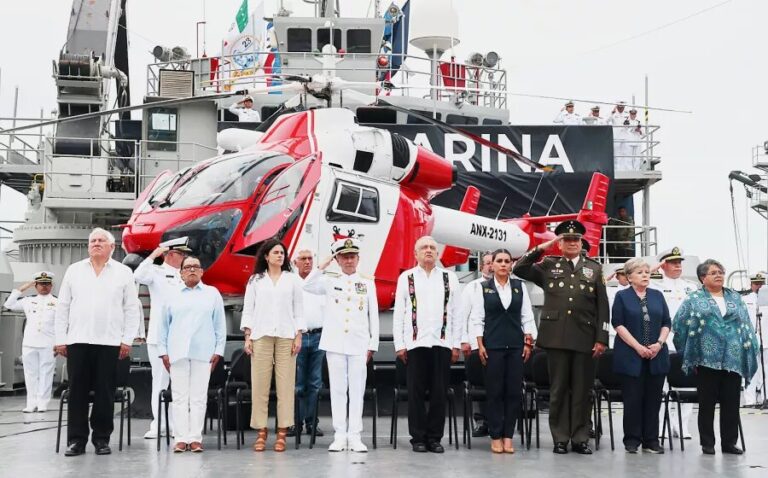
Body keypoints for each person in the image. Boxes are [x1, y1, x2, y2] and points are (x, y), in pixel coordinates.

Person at [513, 220, 609, 455]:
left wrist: (602, 338)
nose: (572, 243)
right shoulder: (549, 265)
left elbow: (603, 307)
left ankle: (580, 438)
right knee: (558, 390)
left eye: (576, 240)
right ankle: (560, 438)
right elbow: (520, 268)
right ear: (560, 243)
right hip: (556, 337)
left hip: (585, 338)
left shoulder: (594, 269)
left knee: (582, 391)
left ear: (582, 243)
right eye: (567, 240)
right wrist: (543, 246)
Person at [55, 228, 141, 457]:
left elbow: (131, 309)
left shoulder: (123, 272)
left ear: (112, 247)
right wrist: (60, 339)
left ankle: (102, 439)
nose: (96, 243)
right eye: (92, 240)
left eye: (101, 240)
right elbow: (62, 306)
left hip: (109, 341)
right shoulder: (74, 270)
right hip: (78, 340)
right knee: (77, 392)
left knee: (105, 392)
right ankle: (76, 440)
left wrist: (127, 340)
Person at [673, 259, 759, 455]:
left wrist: (749, 348)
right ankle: (707, 443)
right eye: (713, 273)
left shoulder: (735, 297)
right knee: (707, 403)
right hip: (705, 359)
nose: (718, 275)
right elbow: (679, 325)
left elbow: (746, 325)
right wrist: (689, 352)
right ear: (703, 278)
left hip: (733, 358)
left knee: (731, 403)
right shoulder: (694, 299)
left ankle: (729, 443)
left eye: (720, 272)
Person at [304, 238, 379, 452]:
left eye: (352, 256)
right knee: (337, 390)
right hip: (335, 343)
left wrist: (372, 344)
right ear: (337, 259)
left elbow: (373, 315)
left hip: (359, 343)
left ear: (358, 259)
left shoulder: (367, 283)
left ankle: (355, 436)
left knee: (357, 390)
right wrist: (323, 265)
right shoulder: (329, 281)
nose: (348, 260)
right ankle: (340, 435)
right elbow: (306, 285)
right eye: (344, 257)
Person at [393, 235, 462, 453]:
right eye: (424, 247)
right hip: (415, 344)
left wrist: (456, 344)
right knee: (415, 393)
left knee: (439, 393)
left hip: (442, 342)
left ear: (438, 253)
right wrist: (399, 344)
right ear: (416, 253)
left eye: (432, 247)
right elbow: (399, 313)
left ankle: (434, 437)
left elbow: (456, 313)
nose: (429, 250)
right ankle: (418, 438)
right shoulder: (406, 278)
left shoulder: (450, 278)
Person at [240, 239, 306, 452]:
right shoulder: (255, 280)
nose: (280, 255)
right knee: (260, 385)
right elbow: (248, 310)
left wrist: (298, 336)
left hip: (287, 336)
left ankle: (282, 432)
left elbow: (299, 310)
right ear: (266, 256)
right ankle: (261, 431)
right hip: (261, 335)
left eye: (282, 253)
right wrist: (248, 336)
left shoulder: (292, 280)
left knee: (286, 386)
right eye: (276, 252)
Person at [470, 249, 537, 453]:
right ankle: (495, 435)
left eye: (507, 261)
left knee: (513, 393)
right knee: (495, 393)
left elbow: (527, 316)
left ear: (511, 265)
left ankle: (508, 436)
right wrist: (480, 345)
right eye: (499, 261)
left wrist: (528, 343)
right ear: (492, 265)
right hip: (493, 347)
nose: (503, 264)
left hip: (516, 347)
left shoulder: (519, 287)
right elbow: (477, 318)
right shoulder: (483, 288)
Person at [157, 255, 226, 453]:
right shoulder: (171, 295)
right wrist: (163, 353)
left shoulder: (212, 294)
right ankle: (180, 439)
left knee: (198, 397)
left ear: (202, 272)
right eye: (187, 267)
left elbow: (220, 326)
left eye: (196, 266)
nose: (192, 270)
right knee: (179, 397)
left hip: (204, 353)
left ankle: (195, 438)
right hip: (176, 352)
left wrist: (218, 351)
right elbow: (163, 327)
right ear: (181, 273)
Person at [611, 258, 670, 454]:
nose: (645, 275)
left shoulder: (657, 296)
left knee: (653, 400)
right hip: (631, 355)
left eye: (646, 272)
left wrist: (659, 343)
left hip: (656, 355)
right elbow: (618, 324)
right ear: (629, 277)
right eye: (639, 272)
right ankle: (632, 439)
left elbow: (666, 322)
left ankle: (651, 440)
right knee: (633, 400)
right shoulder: (622, 296)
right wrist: (638, 347)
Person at [133, 239, 190, 439]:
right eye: (181, 254)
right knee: (159, 381)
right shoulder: (156, 272)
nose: (184, 258)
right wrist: (153, 255)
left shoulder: (185, 276)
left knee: (179, 382)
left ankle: (176, 425)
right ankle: (158, 424)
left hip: (181, 336)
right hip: (159, 336)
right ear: (170, 254)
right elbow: (138, 275)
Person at [650, 246, 698, 439]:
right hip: (663, 341)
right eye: (673, 263)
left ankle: (681, 425)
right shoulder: (654, 286)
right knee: (662, 386)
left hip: (686, 342)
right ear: (663, 265)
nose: (678, 266)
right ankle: (663, 425)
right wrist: (654, 269)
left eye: (679, 263)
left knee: (687, 385)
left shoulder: (691, 287)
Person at [3, 271, 57, 412]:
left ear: (51, 285)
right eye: (41, 284)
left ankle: (42, 403)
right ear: (36, 285)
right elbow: (8, 304)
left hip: (48, 344)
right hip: (29, 343)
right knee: (30, 374)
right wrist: (23, 288)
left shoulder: (57, 302)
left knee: (46, 374)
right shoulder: (28, 301)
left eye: (47, 284)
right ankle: (31, 403)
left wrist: (59, 343)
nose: (44, 286)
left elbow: (62, 324)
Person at [289, 249, 326, 438]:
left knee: (315, 383)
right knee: (297, 383)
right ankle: (295, 423)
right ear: (295, 262)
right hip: (298, 337)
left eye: (310, 258)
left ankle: (312, 423)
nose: (307, 262)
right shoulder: (290, 282)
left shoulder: (322, 282)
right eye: (303, 259)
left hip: (319, 335)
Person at [458, 251, 493, 437]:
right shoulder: (471, 287)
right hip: (475, 343)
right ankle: (481, 422)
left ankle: (498, 421)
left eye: (493, 262)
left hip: (498, 341)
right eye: (487, 263)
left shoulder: (509, 286)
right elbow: (463, 315)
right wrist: (463, 340)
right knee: (478, 384)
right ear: (481, 267)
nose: (490, 266)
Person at [743, 272, 766, 405]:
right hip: (749, 338)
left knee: (766, 369)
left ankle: (765, 398)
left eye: (761, 284)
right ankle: (750, 400)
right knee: (750, 369)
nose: (759, 286)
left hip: (766, 338)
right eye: (756, 284)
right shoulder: (744, 299)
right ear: (751, 284)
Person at [605, 268, 630, 348]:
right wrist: (606, 279)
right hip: (614, 331)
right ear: (617, 277)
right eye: (622, 274)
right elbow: (598, 287)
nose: (625, 277)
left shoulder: (637, 291)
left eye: (627, 274)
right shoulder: (610, 290)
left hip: (632, 331)